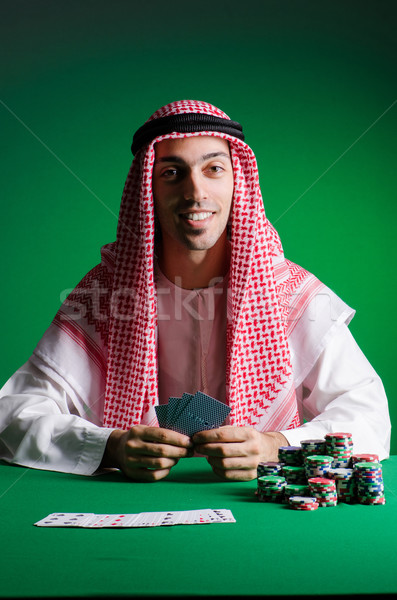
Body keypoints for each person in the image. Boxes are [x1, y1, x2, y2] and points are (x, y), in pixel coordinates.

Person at [0, 100, 391, 482]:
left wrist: (276, 446)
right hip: (131, 506)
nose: (195, 192)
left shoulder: (288, 290)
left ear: (237, 181)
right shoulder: (106, 292)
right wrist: (110, 446)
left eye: (214, 169)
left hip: (259, 515)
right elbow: (11, 413)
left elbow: (369, 416)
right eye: (172, 172)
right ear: (147, 189)